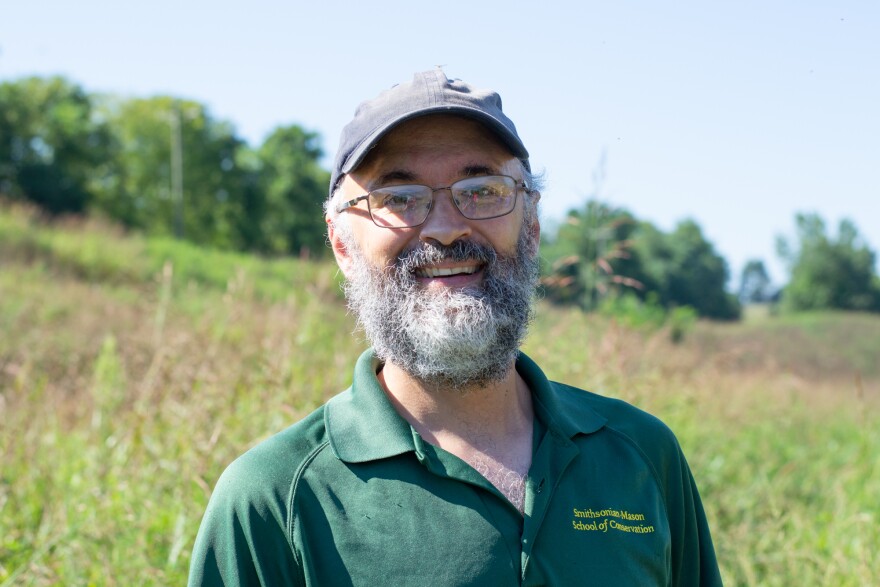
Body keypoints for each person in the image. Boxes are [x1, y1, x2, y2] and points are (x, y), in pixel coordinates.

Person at [188, 69, 723, 586]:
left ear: (531, 225)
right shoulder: (273, 500)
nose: (445, 229)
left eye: (482, 189)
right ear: (342, 244)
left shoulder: (641, 455)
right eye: (397, 198)